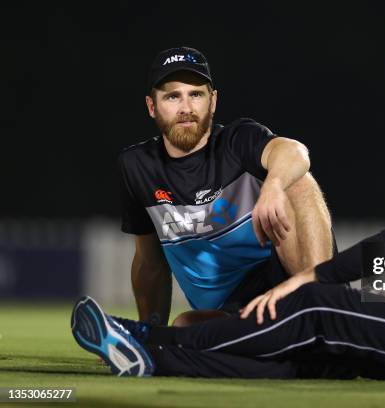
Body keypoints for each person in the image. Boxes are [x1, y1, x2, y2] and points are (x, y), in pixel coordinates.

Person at [72, 49, 385, 383]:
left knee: (316, 309)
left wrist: (311, 280)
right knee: (319, 356)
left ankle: (149, 347)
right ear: (152, 106)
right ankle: (148, 353)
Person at [116, 46, 334, 326]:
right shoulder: (137, 166)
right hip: (235, 310)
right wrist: (148, 332)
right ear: (152, 106)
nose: (185, 108)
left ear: (213, 101)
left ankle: (325, 308)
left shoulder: (237, 141)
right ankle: (299, 335)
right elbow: (150, 262)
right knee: (184, 326)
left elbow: (295, 152)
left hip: (289, 279)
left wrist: (273, 185)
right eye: (172, 96)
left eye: (196, 94)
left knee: (297, 180)